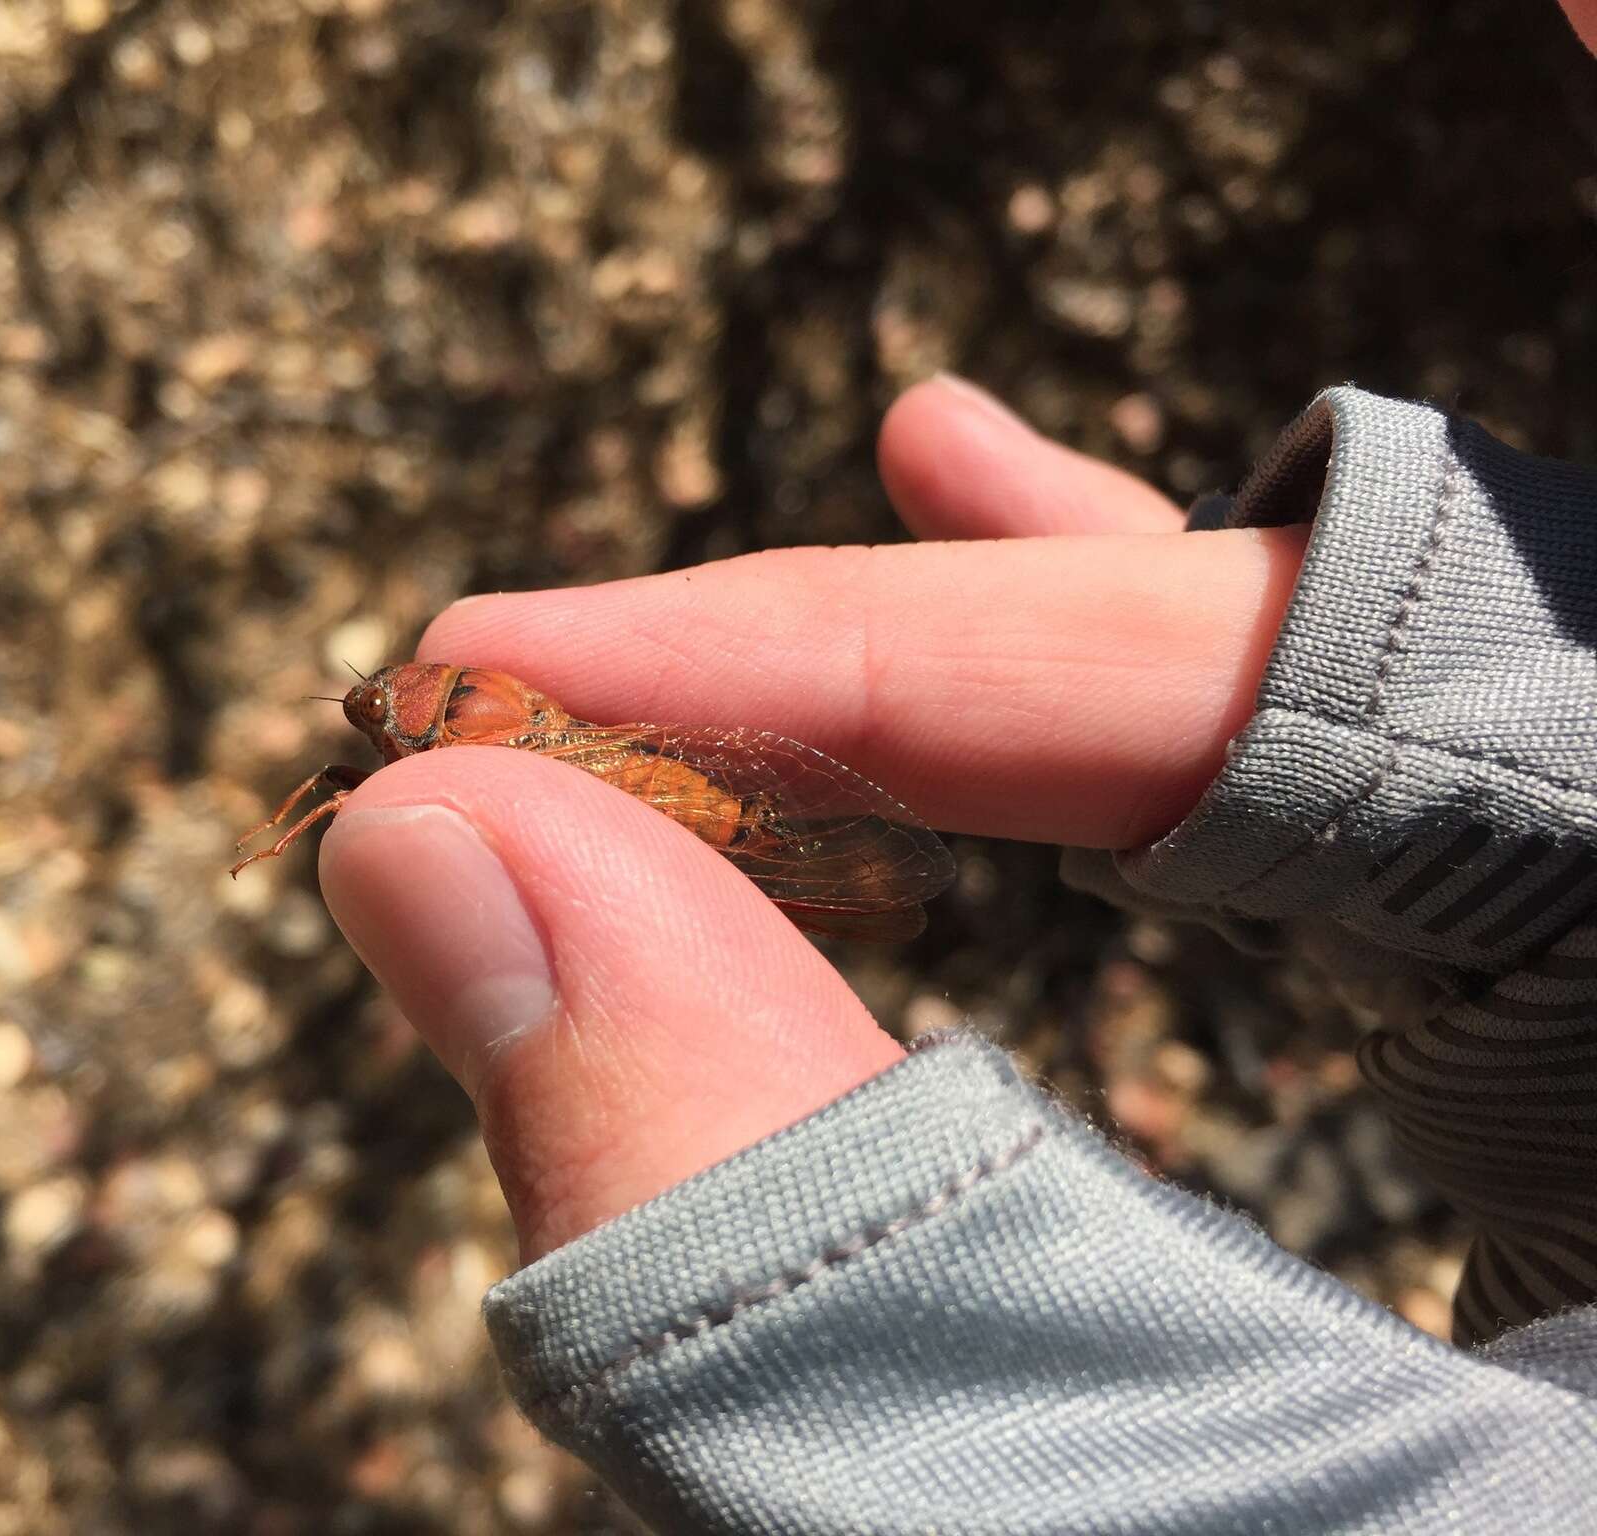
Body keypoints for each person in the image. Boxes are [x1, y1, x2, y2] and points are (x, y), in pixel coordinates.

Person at [315, 8, 1597, 1529]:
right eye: (397, 710)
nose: (400, 710)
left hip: (664, 780)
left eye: (407, 708)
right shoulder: (439, 720)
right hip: (639, 774)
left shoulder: (485, 715)